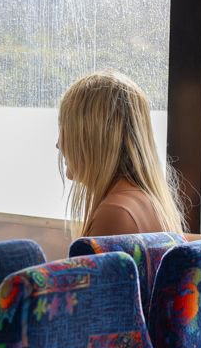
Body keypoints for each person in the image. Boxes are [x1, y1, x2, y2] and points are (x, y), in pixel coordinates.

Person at [56, 70, 187, 238]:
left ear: (92, 138)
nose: (59, 144)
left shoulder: (115, 213)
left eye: (66, 129)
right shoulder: (149, 202)